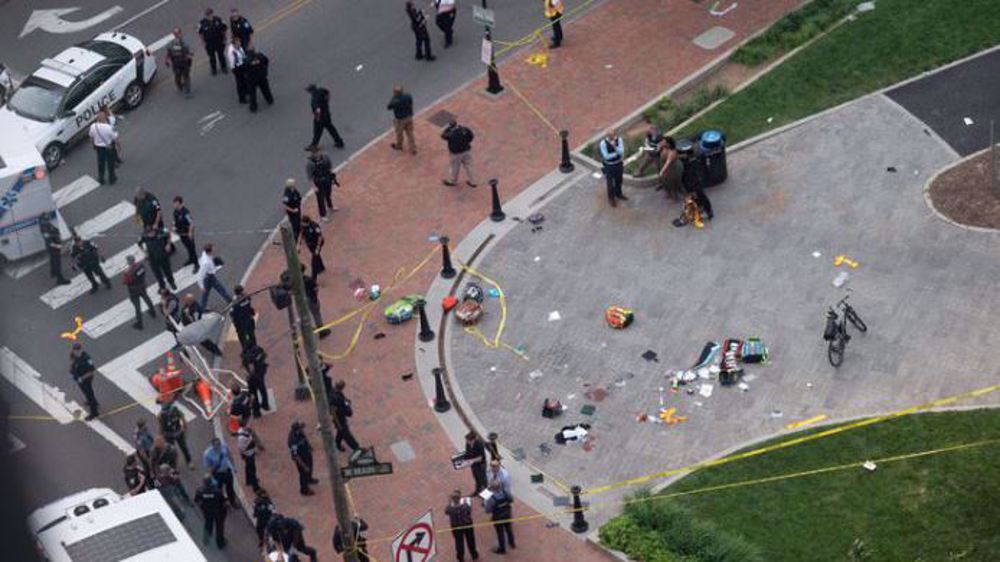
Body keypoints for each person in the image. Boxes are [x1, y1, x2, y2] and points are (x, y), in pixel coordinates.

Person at [305, 84, 344, 150]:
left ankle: (314, 145)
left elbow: (317, 109)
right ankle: (339, 142)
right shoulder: (321, 90)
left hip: (320, 117)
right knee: (331, 128)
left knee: (317, 131)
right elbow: (327, 93)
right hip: (326, 114)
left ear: (311, 91)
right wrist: (326, 102)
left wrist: (317, 118)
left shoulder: (314, 99)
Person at [123, 254, 157, 330]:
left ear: (129, 262)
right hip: (142, 285)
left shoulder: (129, 272)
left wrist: (125, 273)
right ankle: (153, 312)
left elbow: (125, 282)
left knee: (137, 306)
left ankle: (140, 323)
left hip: (134, 290)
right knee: (147, 298)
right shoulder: (141, 266)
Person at [306, 145, 339, 221]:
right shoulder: (310, 163)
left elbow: (330, 167)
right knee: (320, 199)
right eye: (314, 152)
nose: (316, 153)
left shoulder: (325, 157)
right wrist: (314, 187)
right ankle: (322, 214)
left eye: (317, 151)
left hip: (327, 178)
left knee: (328, 194)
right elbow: (310, 177)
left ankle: (330, 206)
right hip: (318, 182)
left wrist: (332, 177)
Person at [203, 438, 238, 508]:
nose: (219, 446)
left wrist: (233, 466)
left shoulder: (224, 447)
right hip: (218, 474)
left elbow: (229, 456)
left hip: (227, 471)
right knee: (219, 489)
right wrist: (211, 476)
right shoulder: (207, 454)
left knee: (230, 487)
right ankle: (222, 503)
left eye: (219, 444)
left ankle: (233, 502)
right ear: (212, 445)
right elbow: (208, 467)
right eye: (217, 445)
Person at [139, 226, 176, 291]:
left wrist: (168, 244)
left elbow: (168, 235)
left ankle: (171, 282)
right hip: (152, 259)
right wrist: (144, 252)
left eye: (151, 232)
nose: (150, 235)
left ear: (153, 231)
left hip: (163, 256)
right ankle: (162, 286)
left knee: (168, 271)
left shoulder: (160, 232)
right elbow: (139, 243)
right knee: (158, 274)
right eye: (148, 233)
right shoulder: (144, 237)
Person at [194, 475, 227, 548]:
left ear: (204, 483)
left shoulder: (200, 491)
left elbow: (197, 501)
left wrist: (203, 507)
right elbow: (224, 502)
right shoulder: (218, 491)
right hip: (218, 512)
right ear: (211, 482)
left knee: (208, 525)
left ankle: (206, 540)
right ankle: (220, 543)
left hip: (207, 512)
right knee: (219, 528)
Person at [441, 120, 477, 187]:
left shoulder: (450, 134)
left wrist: (447, 128)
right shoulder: (464, 129)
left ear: (450, 126)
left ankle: (453, 181)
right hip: (466, 150)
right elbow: (471, 136)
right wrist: (467, 143)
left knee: (455, 168)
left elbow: (443, 135)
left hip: (456, 154)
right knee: (469, 165)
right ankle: (473, 181)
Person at [328, 380, 361, 453]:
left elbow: (344, 400)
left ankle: (337, 443)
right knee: (347, 435)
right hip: (339, 419)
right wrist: (338, 424)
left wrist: (347, 402)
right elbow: (333, 412)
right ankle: (356, 448)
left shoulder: (336, 392)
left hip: (341, 417)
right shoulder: (334, 398)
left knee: (340, 433)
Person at [445, 490, 478, 561]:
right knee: (471, 540)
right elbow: (469, 511)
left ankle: (460, 558)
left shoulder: (450, 508)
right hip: (467, 524)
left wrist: (449, 502)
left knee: (459, 542)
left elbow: (446, 512)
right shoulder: (465, 505)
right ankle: (474, 554)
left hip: (456, 526)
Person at [159, 402, 194, 469]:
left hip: (178, 433)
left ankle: (189, 461)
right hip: (169, 435)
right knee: (171, 450)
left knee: (184, 448)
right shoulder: (161, 415)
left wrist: (185, 431)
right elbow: (161, 427)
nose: (166, 413)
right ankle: (174, 465)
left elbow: (183, 419)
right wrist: (161, 437)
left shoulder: (176, 411)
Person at [69, 343, 99, 420]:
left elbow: (91, 371)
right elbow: (72, 363)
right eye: (75, 350)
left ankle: (94, 412)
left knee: (89, 394)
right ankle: (92, 402)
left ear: (81, 349)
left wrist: (82, 378)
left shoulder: (86, 358)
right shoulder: (72, 355)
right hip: (79, 379)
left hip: (86, 379)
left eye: (78, 350)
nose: (77, 352)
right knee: (85, 392)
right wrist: (72, 372)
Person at [484, 480, 515, 553]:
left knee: (500, 532)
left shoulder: (491, 498)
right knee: (509, 529)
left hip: (498, 517)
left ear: (492, 488)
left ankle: (502, 549)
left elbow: (487, 510)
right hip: (507, 514)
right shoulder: (505, 492)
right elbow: (511, 500)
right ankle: (512, 543)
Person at [198, 243, 232, 309]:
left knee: (219, 289)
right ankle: (202, 308)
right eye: (213, 249)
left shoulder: (205, 253)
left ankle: (229, 300)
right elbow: (200, 275)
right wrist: (201, 286)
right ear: (209, 251)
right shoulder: (206, 263)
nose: (214, 250)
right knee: (207, 293)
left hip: (210, 277)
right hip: (208, 278)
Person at [288, 421, 317, 496]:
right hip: (301, 458)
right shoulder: (292, 440)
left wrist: (309, 447)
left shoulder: (300, 433)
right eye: (300, 429)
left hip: (307, 453)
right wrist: (303, 466)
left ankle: (309, 479)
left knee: (310, 468)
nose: (302, 430)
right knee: (303, 473)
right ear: (296, 430)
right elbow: (295, 456)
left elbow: (305, 440)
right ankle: (304, 490)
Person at [599, 129, 627, 206]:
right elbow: (606, 156)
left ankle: (619, 194)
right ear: (607, 136)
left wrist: (615, 147)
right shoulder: (603, 143)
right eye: (610, 136)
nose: (612, 137)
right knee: (610, 183)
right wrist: (617, 153)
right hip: (609, 166)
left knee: (619, 180)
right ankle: (611, 198)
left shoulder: (619, 140)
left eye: (613, 135)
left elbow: (622, 151)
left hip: (618, 164)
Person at [39, 216, 70, 285]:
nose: (48, 220)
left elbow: (55, 230)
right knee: (57, 263)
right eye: (46, 219)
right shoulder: (44, 230)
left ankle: (53, 273)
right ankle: (60, 279)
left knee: (53, 261)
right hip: (53, 248)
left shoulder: (47, 225)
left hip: (55, 246)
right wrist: (60, 247)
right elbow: (50, 243)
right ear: (43, 221)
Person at [88, 114, 118, 184]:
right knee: (110, 162)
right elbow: (114, 138)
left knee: (101, 163)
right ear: (104, 119)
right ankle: (111, 178)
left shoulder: (93, 126)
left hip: (99, 147)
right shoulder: (108, 127)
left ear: (97, 119)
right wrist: (117, 146)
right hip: (109, 146)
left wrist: (93, 145)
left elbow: (91, 137)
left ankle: (101, 178)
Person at [236, 419, 264, 492]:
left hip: (249, 452)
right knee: (252, 469)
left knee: (248, 467)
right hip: (248, 454)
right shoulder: (241, 437)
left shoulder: (245, 431)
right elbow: (241, 447)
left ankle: (248, 480)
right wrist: (243, 454)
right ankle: (256, 487)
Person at [197, 8, 228, 75]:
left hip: (219, 41)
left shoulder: (218, 20)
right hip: (209, 44)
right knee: (212, 57)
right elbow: (200, 33)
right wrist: (203, 42)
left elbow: (224, 29)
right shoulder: (202, 23)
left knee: (221, 55)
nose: (209, 16)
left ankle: (224, 67)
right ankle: (214, 69)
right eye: (207, 15)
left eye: (210, 14)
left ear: (212, 13)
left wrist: (225, 38)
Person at [387, 86, 417, 154]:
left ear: (396, 93)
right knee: (410, 133)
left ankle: (399, 145)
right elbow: (411, 103)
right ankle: (413, 148)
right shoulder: (408, 96)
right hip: (409, 117)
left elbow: (388, 107)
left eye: (394, 92)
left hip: (400, 120)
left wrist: (393, 98)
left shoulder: (395, 101)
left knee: (399, 133)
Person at [302, 266, 330, 338]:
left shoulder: (296, 280)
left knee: (304, 314)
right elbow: (315, 288)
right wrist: (315, 296)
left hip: (302, 299)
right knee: (316, 314)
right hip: (311, 299)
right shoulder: (308, 280)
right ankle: (321, 332)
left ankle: (308, 329)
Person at [172, 196, 198, 272]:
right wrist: (174, 228)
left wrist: (190, 232)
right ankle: (191, 259)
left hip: (188, 233)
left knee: (192, 248)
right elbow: (175, 221)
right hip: (181, 233)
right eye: (174, 204)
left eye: (176, 204)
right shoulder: (175, 212)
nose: (175, 205)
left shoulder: (185, 212)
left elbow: (191, 223)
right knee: (187, 247)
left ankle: (196, 263)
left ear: (180, 203)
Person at [242, 345, 270, 415]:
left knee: (253, 394)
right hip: (259, 376)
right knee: (263, 391)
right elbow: (264, 356)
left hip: (251, 379)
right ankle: (265, 405)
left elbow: (247, 368)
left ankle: (256, 411)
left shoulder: (246, 357)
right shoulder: (258, 350)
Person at [164, 28, 193, 95]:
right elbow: (168, 53)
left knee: (184, 77)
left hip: (181, 63)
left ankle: (186, 90)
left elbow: (189, 53)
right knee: (180, 77)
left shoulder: (173, 44)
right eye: (177, 34)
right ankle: (181, 87)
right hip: (178, 63)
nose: (178, 35)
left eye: (178, 33)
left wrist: (166, 60)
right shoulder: (183, 43)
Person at [245, 47, 274, 113]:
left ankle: (253, 107)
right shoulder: (260, 56)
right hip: (262, 76)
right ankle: (270, 100)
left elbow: (245, 69)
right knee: (266, 89)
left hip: (252, 79)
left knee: (252, 93)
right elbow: (266, 61)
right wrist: (265, 69)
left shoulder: (247, 60)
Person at [230, 285, 257, 352]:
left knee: (242, 337)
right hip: (248, 319)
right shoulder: (246, 298)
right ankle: (255, 347)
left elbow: (232, 314)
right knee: (252, 335)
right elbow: (249, 303)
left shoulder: (235, 304)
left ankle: (246, 350)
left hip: (240, 323)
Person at [657, 136, 683, 202]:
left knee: (672, 182)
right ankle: (669, 192)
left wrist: (662, 171)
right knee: (665, 181)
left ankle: (675, 196)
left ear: (668, 144)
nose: (661, 142)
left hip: (673, 169)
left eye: (664, 141)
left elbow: (668, 163)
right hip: (668, 168)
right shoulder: (663, 147)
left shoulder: (672, 152)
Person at [225, 36, 248, 103]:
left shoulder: (239, 47)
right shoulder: (232, 52)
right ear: (234, 43)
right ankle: (242, 98)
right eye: (238, 42)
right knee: (240, 83)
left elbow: (243, 55)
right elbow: (234, 63)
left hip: (242, 64)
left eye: (239, 42)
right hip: (237, 68)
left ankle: (246, 91)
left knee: (245, 80)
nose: (240, 43)